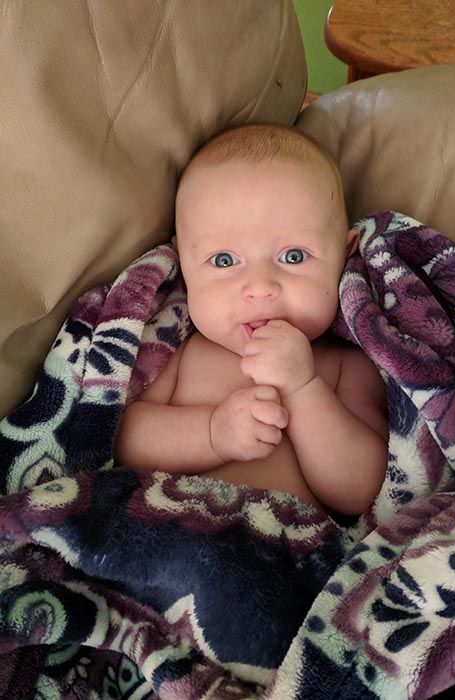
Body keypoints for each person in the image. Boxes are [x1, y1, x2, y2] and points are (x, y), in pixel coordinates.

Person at [114, 123, 388, 516]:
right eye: (224, 260)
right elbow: (123, 439)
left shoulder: (345, 367)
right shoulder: (182, 351)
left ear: (344, 255)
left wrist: (302, 387)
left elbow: (362, 492)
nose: (260, 287)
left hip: (280, 552)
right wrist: (213, 434)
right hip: (165, 532)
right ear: (184, 264)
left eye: (293, 256)